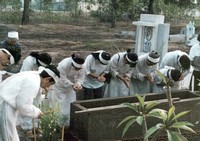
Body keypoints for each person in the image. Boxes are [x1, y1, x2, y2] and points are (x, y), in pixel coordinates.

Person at [0, 65, 60, 141]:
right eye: (50, 84)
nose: (48, 86)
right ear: (47, 79)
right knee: (9, 137)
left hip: (4, 102)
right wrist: (37, 112)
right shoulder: (33, 82)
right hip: (4, 105)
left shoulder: (33, 76)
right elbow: (23, 105)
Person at [17, 51, 52, 135]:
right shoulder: (28, 61)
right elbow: (25, 76)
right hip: (26, 85)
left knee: (37, 104)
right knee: (27, 104)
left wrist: (44, 86)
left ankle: (36, 126)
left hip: (39, 83)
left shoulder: (47, 63)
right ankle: (27, 127)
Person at [47, 53, 85, 126]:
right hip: (60, 87)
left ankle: (69, 123)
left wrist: (78, 84)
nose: (77, 70)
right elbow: (62, 79)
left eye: (78, 69)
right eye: (76, 68)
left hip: (71, 88)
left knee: (71, 104)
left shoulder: (83, 66)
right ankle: (58, 124)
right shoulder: (63, 65)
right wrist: (72, 84)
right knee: (59, 106)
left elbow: (81, 77)